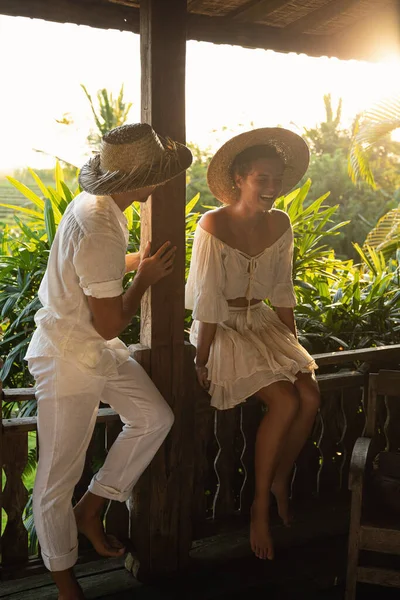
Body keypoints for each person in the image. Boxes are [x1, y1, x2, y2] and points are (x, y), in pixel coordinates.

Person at [25, 123, 192, 600]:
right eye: (157, 174)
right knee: (57, 477)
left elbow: (95, 270)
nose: (161, 182)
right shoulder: (99, 225)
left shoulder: (100, 208)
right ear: (135, 181)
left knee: (153, 417)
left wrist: (138, 259)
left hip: (93, 349)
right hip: (68, 355)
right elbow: (108, 323)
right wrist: (146, 279)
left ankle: (91, 509)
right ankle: (63, 581)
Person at [185, 128, 320, 562]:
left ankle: (281, 477)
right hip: (223, 327)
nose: (272, 188)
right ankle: (259, 505)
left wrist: (292, 349)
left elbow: (282, 291)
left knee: (310, 395)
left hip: (264, 323)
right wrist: (200, 360)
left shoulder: (281, 223)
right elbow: (206, 303)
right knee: (283, 401)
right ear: (240, 178)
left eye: (277, 179)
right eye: (262, 178)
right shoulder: (213, 224)